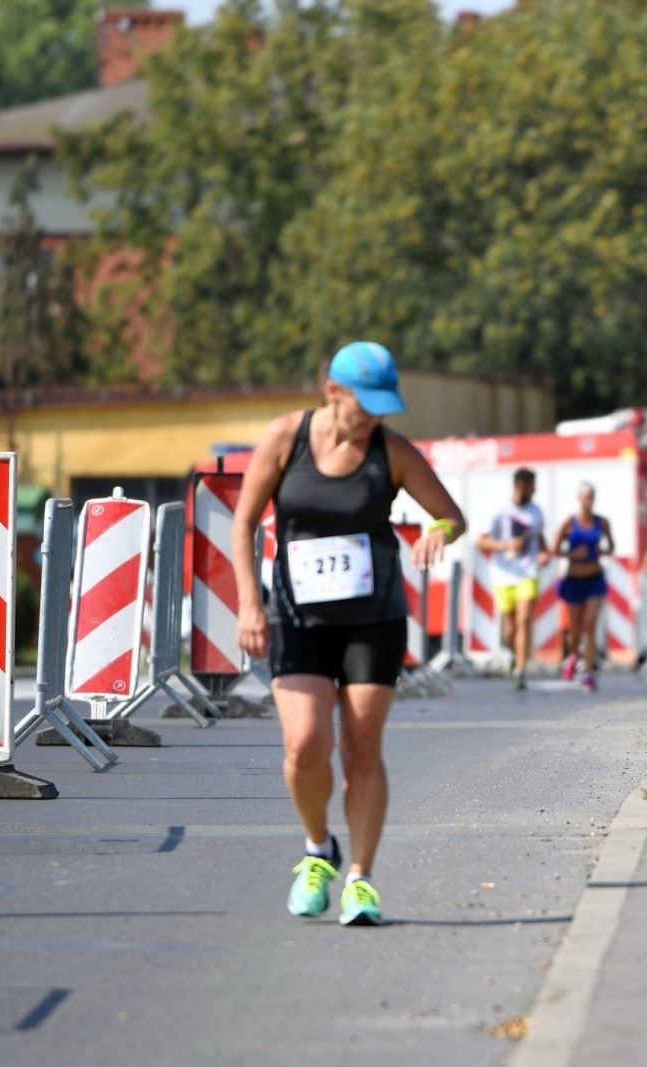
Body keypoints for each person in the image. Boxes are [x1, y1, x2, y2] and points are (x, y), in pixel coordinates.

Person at [234, 341, 466, 926]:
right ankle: (319, 849)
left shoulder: (392, 451)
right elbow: (242, 524)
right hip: (298, 616)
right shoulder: (286, 438)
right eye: (368, 406)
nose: (376, 418)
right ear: (333, 391)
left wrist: (438, 531)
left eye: (384, 408)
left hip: (373, 619)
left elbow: (451, 515)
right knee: (305, 745)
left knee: (362, 747)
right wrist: (247, 605)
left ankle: (361, 878)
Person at [476, 469, 548, 690]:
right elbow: (481, 541)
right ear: (520, 486)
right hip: (503, 574)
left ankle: (520, 670)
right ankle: (512, 654)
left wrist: (544, 553)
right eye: (531, 486)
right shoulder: (500, 511)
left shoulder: (536, 512)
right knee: (509, 628)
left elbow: (539, 537)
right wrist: (505, 546)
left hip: (528, 572)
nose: (534, 491)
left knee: (524, 619)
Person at [554, 482, 614, 693]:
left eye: (591, 497)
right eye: (585, 498)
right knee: (575, 628)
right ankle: (572, 655)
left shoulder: (602, 523)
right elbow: (555, 551)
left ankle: (588, 672)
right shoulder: (569, 523)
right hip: (574, 579)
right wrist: (572, 554)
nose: (588, 502)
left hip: (594, 578)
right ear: (579, 499)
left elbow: (611, 547)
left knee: (590, 626)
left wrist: (602, 550)